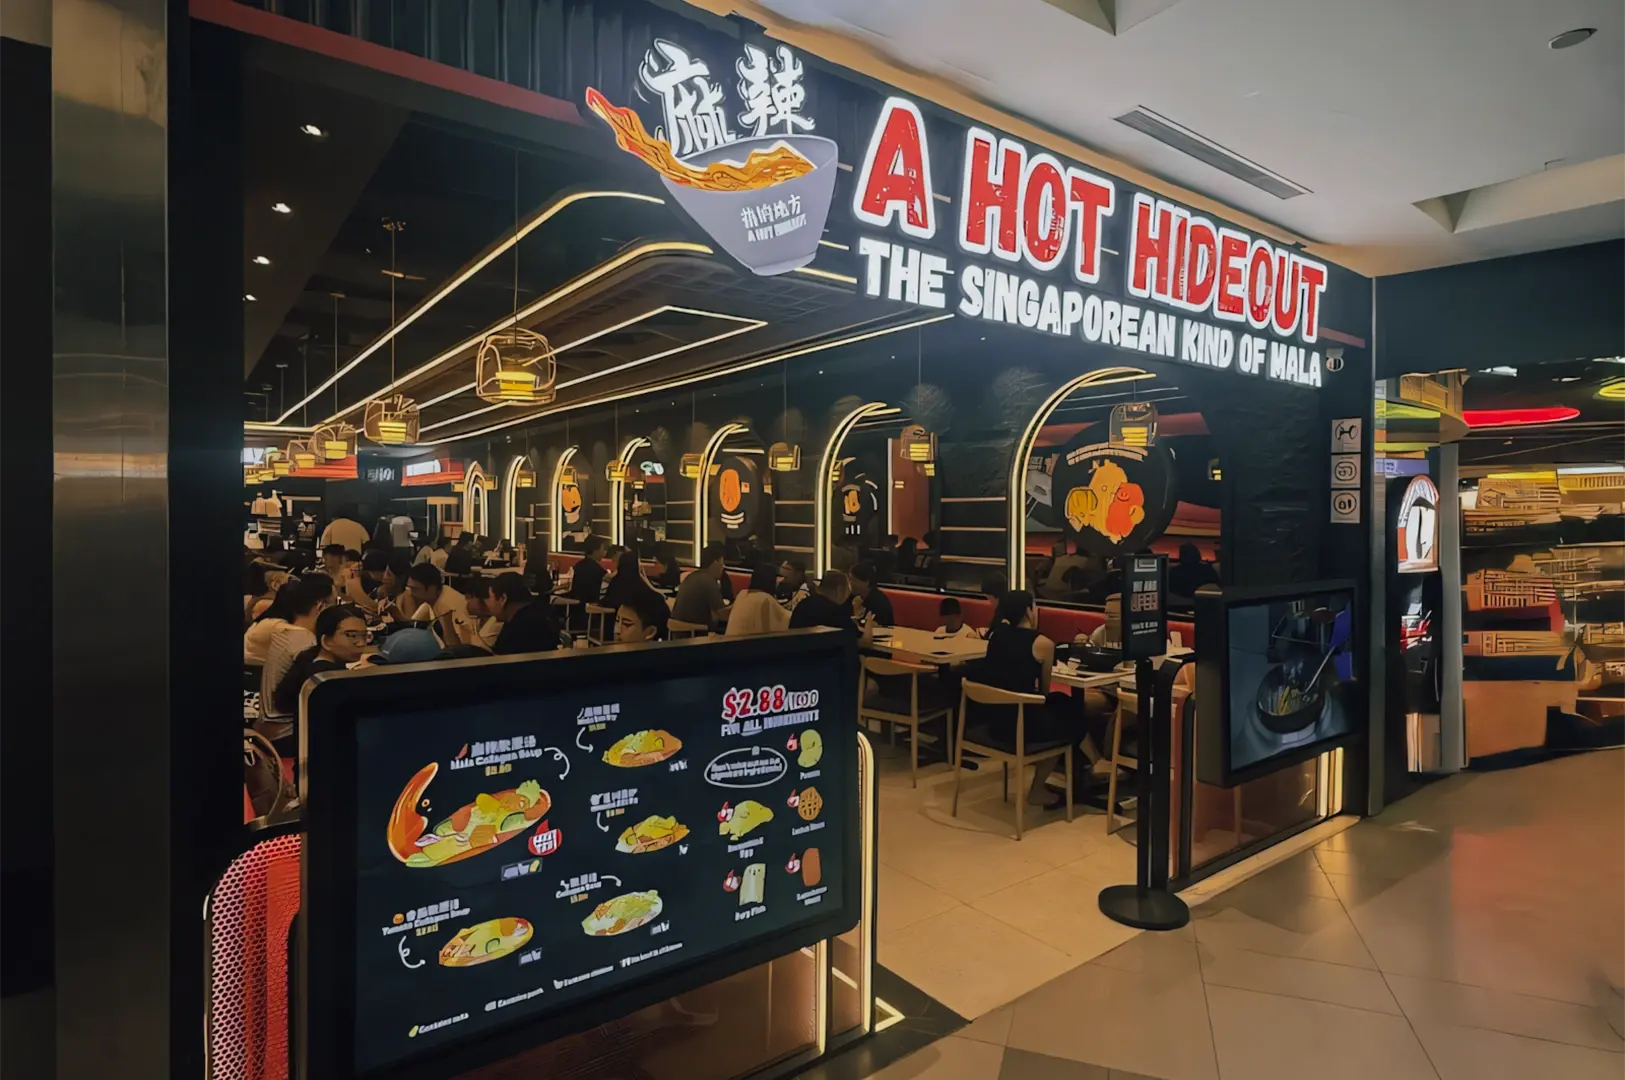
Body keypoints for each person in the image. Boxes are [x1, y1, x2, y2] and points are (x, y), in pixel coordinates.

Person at [980, 590, 1098, 807]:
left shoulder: (996, 636)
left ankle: (1095, 762)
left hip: (994, 721)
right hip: (1023, 727)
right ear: (1028, 611)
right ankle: (1040, 789)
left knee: (1063, 702)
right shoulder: (1043, 643)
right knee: (1071, 719)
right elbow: (1043, 691)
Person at [258, 574, 335, 727]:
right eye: (334, 604)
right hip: (285, 728)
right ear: (321, 606)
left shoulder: (288, 632)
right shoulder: (305, 641)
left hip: (268, 723)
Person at [270, 605, 369, 716]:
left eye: (364, 636)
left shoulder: (311, 661)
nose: (361, 643)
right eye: (352, 635)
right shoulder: (327, 680)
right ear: (326, 641)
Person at [490, 573, 563, 655]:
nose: (490, 606)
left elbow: (500, 658)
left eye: (490, 598)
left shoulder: (516, 630)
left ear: (503, 598)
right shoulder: (542, 615)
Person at [789, 571, 872, 644]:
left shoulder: (803, 604)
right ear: (839, 590)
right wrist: (868, 622)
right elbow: (865, 642)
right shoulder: (835, 612)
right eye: (848, 590)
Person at [405, 564, 472, 646]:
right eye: (409, 588)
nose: (410, 593)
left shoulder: (449, 604)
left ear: (432, 588)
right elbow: (411, 625)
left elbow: (459, 647)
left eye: (415, 590)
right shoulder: (431, 599)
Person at [672, 541, 730, 627]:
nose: (723, 567)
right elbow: (722, 615)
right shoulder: (708, 581)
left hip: (677, 631)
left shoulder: (691, 577)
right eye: (722, 563)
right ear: (716, 562)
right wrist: (738, 605)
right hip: (695, 632)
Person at [726, 564, 791, 637]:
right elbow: (786, 619)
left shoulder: (742, 594)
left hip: (730, 641)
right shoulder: (766, 599)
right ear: (771, 580)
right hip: (747, 642)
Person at [460, 576, 504, 651]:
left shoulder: (497, 622)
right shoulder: (477, 620)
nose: (466, 603)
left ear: (482, 600)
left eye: (468, 597)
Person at [849, 562, 894, 627]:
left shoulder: (879, 601)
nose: (850, 584)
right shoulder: (851, 596)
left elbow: (880, 624)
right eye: (849, 580)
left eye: (854, 580)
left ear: (867, 582)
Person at [570, 535, 609, 605]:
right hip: (588, 606)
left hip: (577, 603)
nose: (604, 552)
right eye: (603, 549)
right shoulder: (592, 566)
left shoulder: (581, 564)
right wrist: (623, 564)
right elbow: (611, 578)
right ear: (595, 551)